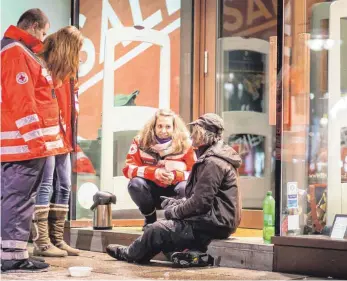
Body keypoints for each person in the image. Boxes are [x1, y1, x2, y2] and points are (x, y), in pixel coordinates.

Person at [106, 113, 243, 267]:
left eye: (195, 131)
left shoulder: (213, 162)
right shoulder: (213, 157)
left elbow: (200, 203)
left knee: (157, 229)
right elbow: (203, 197)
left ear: (203, 134)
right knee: (167, 229)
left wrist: (174, 211)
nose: (192, 135)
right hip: (216, 220)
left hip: (214, 223)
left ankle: (130, 254)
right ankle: (191, 254)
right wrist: (176, 203)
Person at [1, 9, 68, 272]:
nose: (43, 37)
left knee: (14, 198)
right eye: (42, 31)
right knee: (19, 199)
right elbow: (23, 101)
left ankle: (11, 253)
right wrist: (36, 142)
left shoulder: (13, 49)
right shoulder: (16, 52)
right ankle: (12, 257)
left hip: (18, 144)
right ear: (34, 26)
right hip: (23, 146)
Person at [30, 26, 83, 257]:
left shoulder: (68, 73)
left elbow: (71, 107)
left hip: (63, 136)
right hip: (47, 135)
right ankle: (42, 242)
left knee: (63, 186)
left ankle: (57, 240)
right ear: (67, 48)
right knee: (45, 185)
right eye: (77, 50)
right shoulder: (42, 67)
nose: (79, 56)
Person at [123, 109, 196, 229]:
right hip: (151, 191)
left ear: (174, 127)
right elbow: (128, 169)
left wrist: (176, 176)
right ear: (153, 126)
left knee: (185, 186)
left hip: (175, 191)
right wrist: (154, 173)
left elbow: (195, 174)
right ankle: (150, 220)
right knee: (135, 184)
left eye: (168, 127)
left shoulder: (186, 143)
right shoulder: (140, 141)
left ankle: (176, 222)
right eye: (160, 126)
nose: (163, 131)